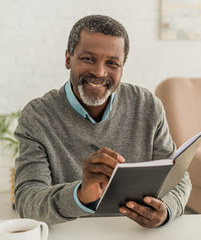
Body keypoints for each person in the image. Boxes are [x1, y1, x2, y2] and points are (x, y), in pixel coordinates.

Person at [14, 15, 191, 228]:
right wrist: (80, 194)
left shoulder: (147, 106)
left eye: (112, 63)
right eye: (88, 59)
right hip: (69, 232)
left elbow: (178, 178)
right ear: (68, 58)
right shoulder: (38, 116)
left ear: (122, 67)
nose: (99, 72)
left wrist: (166, 210)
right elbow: (27, 200)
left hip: (132, 232)